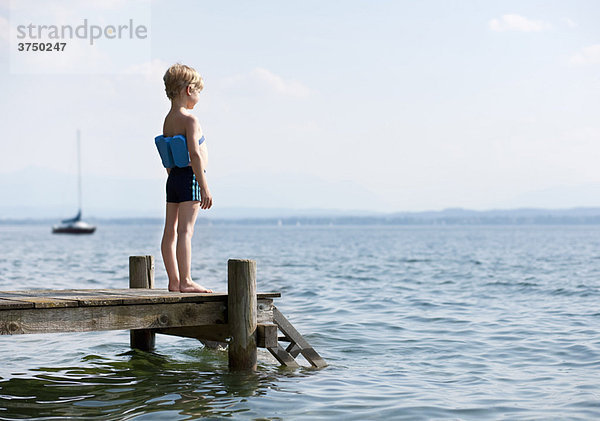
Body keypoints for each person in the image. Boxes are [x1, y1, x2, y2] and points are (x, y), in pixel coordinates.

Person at [160, 63, 213, 293]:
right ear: (189, 89)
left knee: (169, 231)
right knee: (185, 232)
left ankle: (173, 281)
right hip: (191, 178)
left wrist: (175, 178)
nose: (199, 96)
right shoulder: (190, 120)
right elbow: (194, 154)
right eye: (198, 91)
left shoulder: (168, 120)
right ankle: (186, 281)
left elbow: (168, 155)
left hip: (173, 179)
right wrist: (204, 187)